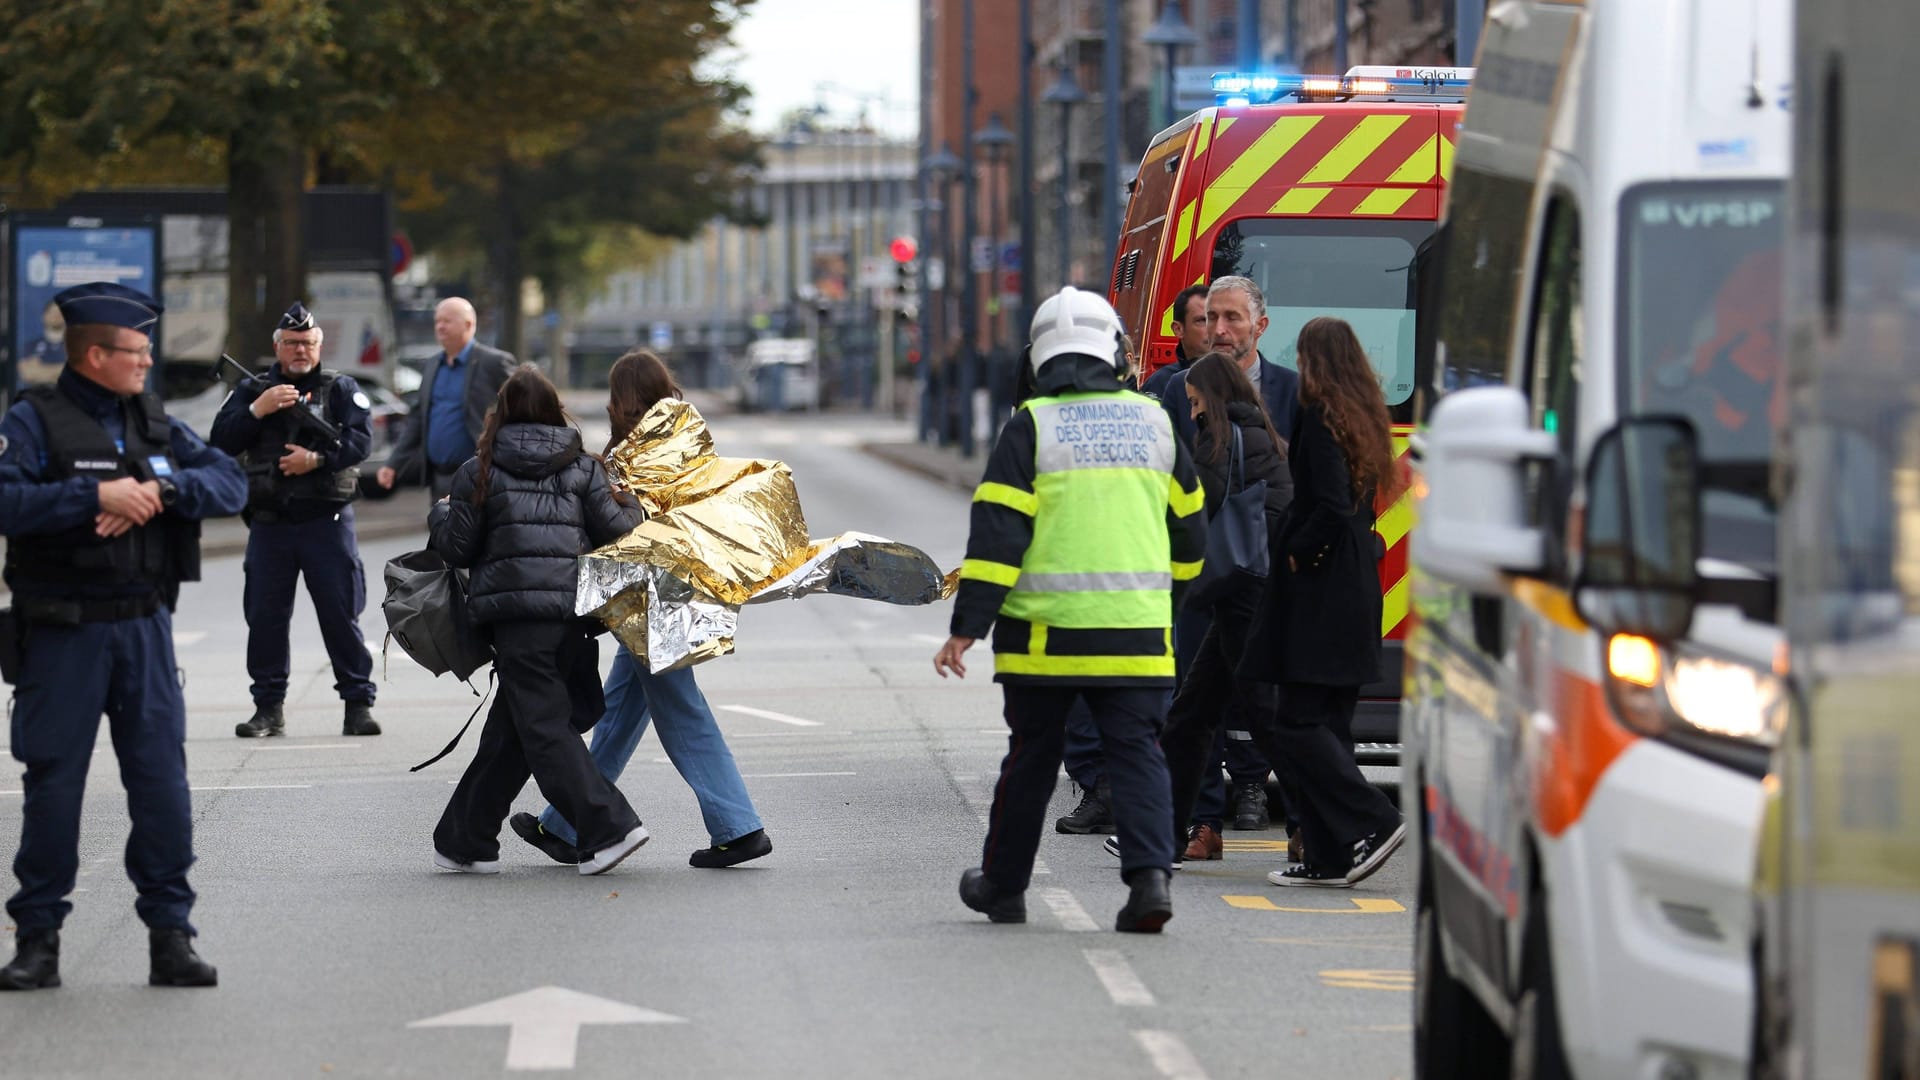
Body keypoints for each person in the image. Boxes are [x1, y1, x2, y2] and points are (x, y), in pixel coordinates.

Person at [937, 286, 1207, 933]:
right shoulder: (1156, 422)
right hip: (1139, 638)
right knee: (1138, 755)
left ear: (1038, 359)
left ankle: (1003, 888)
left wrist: (966, 629)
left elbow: (998, 539)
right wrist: (1163, 605)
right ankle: (1148, 883)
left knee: (1032, 756)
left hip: (1042, 643)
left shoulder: (1030, 427)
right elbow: (1193, 538)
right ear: (1113, 351)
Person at [0, 282, 247, 990]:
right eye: (136, 353)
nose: (146, 365)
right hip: (62, 632)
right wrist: (92, 497)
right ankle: (38, 941)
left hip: (144, 627)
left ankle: (171, 936)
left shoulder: (155, 421)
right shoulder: (32, 420)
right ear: (95, 354)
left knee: (162, 787)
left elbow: (229, 483)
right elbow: (6, 500)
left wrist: (159, 493)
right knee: (53, 787)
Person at [506, 349, 770, 869]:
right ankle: (563, 824)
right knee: (620, 713)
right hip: (677, 593)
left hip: (650, 602)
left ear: (623, 399)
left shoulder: (639, 452)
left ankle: (739, 827)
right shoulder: (684, 434)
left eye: (611, 395)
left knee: (682, 712)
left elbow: (622, 522)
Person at [427, 367, 649, 876]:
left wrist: (440, 514)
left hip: (515, 622)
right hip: (572, 617)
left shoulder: (479, 469)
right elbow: (621, 532)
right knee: (517, 729)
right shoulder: (584, 468)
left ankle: (609, 828)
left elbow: (457, 546)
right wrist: (631, 499)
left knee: (543, 728)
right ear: (555, 409)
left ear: (499, 413)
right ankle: (465, 838)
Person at [1239, 316, 1406, 887]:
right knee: (1329, 722)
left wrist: (1295, 554)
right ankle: (1330, 855)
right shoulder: (1363, 415)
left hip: (1321, 588)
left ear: (1318, 360)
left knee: (1297, 722)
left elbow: (1330, 504)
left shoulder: (1319, 412)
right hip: (1356, 582)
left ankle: (1374, 820)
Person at [209, 302, 380, 738]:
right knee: (265, 616)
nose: (300, 350)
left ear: (319, 345)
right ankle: (268, 708)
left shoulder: (339, 388)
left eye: (307, 342)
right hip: (270, 523)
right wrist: (258, 411)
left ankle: (357, 704)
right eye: (291, 343)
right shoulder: (253, 390)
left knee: (341, 614)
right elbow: (221, 440)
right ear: (277, 347)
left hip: (326, 519)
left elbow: (362, 441)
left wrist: (317, 459)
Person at [1153, 352, 1296, 865]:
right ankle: (1160, 832)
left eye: (1194, 402)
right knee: (1190, 718)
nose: (1190, 411)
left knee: (1266, 719)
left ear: (1211, 399)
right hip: (1247, 592)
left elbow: (1193, 516)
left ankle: (1332, 822)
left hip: (1239, 597)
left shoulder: (1218, 442)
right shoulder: (1261, 432)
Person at [376, 297, 514, 500]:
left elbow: (523, 405)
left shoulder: (493, 362)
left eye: (447, 321)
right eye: (437, 321)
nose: (440, 326)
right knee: (441, 531)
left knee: (474, 531)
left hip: (479, 478)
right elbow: (417, 419)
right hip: (438, 479)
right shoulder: (432, 365)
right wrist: (393, 463)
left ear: (468, 324)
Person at [1140, 283, 1212, 400]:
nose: (1215, 328)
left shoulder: (1240, 378)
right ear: (1178, 329)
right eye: (1202, 320)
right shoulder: (1160, 383)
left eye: (1215, 318)